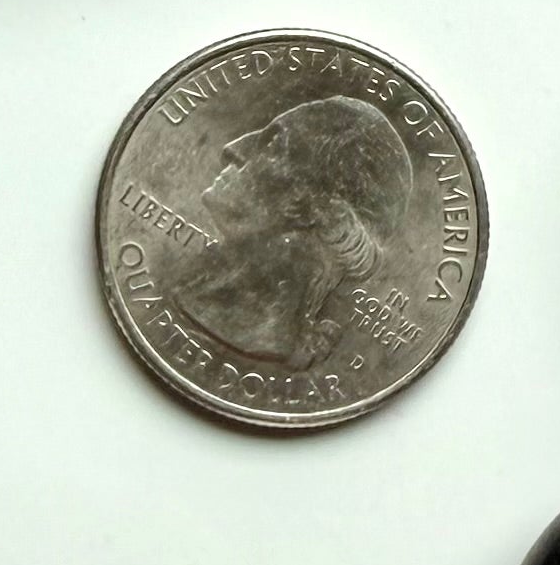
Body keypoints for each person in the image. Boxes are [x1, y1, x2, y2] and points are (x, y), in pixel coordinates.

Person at [171, 93, 414, 369]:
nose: (234, 147)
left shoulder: (261, 337)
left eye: (275, 143)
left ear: (317, 207)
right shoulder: (192, 286)